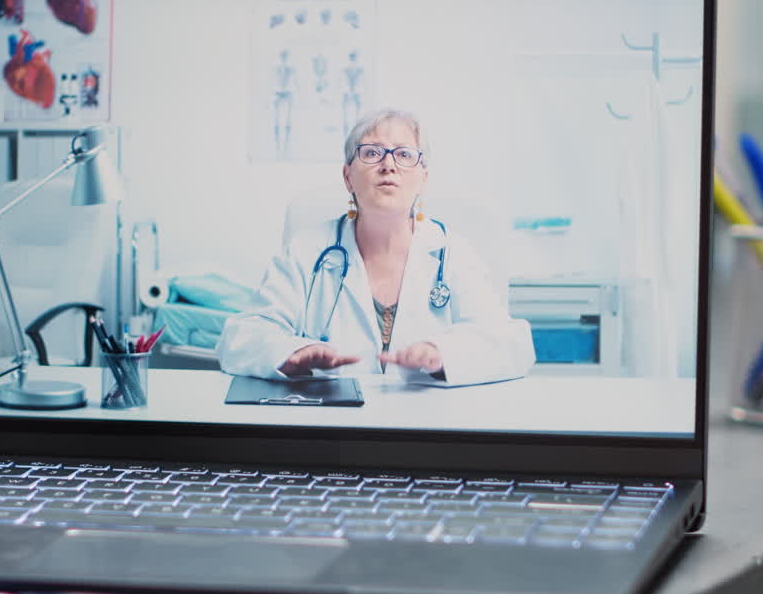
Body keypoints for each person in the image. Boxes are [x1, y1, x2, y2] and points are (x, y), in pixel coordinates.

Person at [218, 108, 534, 386]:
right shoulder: (307, 251)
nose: (388, 165)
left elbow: (512, 345)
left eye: (405, 154)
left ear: (423, 177)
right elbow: (241, 337)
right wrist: (292, 354)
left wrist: (442, 355)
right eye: (371, 153)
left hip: (430, 430)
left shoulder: (452, 253)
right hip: (329, 428)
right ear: (347, 177)